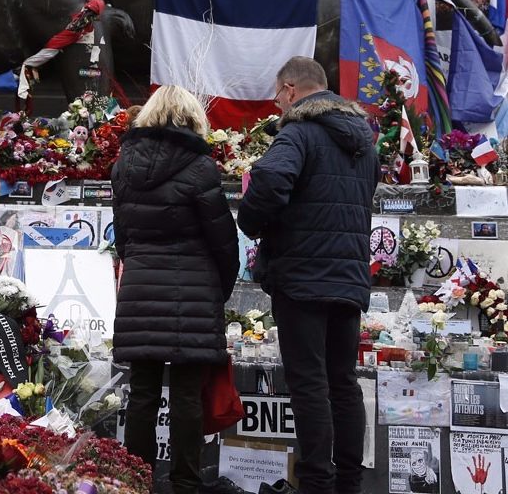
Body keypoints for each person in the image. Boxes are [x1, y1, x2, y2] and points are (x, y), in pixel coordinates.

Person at [237, 57, 378, 494]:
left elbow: (269, 180)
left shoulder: (298, 132)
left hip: (302, 277)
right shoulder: (364, 141)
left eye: (278, 95)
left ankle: (317, 482)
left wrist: (252, 222)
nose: (278, 104)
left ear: (292, 89)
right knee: (343, 382)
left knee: (309, 383)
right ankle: (349, 483)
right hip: (348, 278)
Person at [111, 85, 239, 494]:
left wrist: (139, 269)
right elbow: (224, 241)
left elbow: (123, 236)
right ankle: (185, 483)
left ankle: (136, 481)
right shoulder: (200, 167)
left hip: (140, 290)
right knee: (187, 396)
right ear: (191, 117)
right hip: (193, 292)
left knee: (142, 394)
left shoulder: (123, 165)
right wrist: (218, 289)